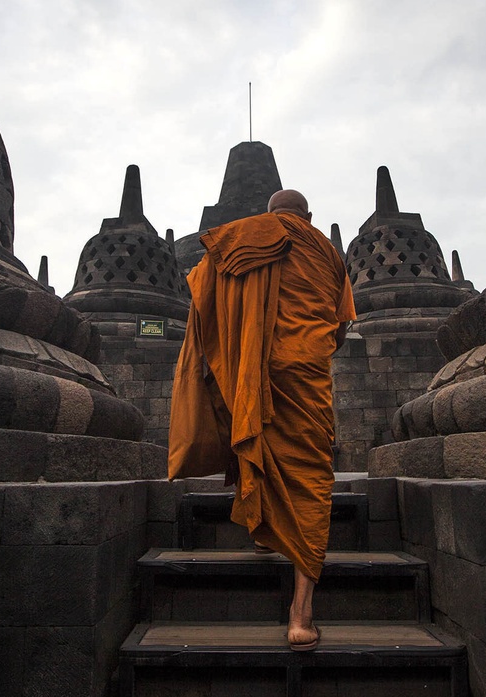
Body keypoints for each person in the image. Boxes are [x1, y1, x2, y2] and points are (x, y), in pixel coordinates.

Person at [168, 189, 355, 651]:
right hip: (307, 376)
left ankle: (263, 534)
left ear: (271, 216)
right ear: (308, 217)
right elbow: (341, 326)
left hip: (256, 368)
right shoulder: (327, 251)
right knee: (311, 478)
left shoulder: (244, 237)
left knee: (256, 441)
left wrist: (238, 342)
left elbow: (202, 292)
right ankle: (301, 614)